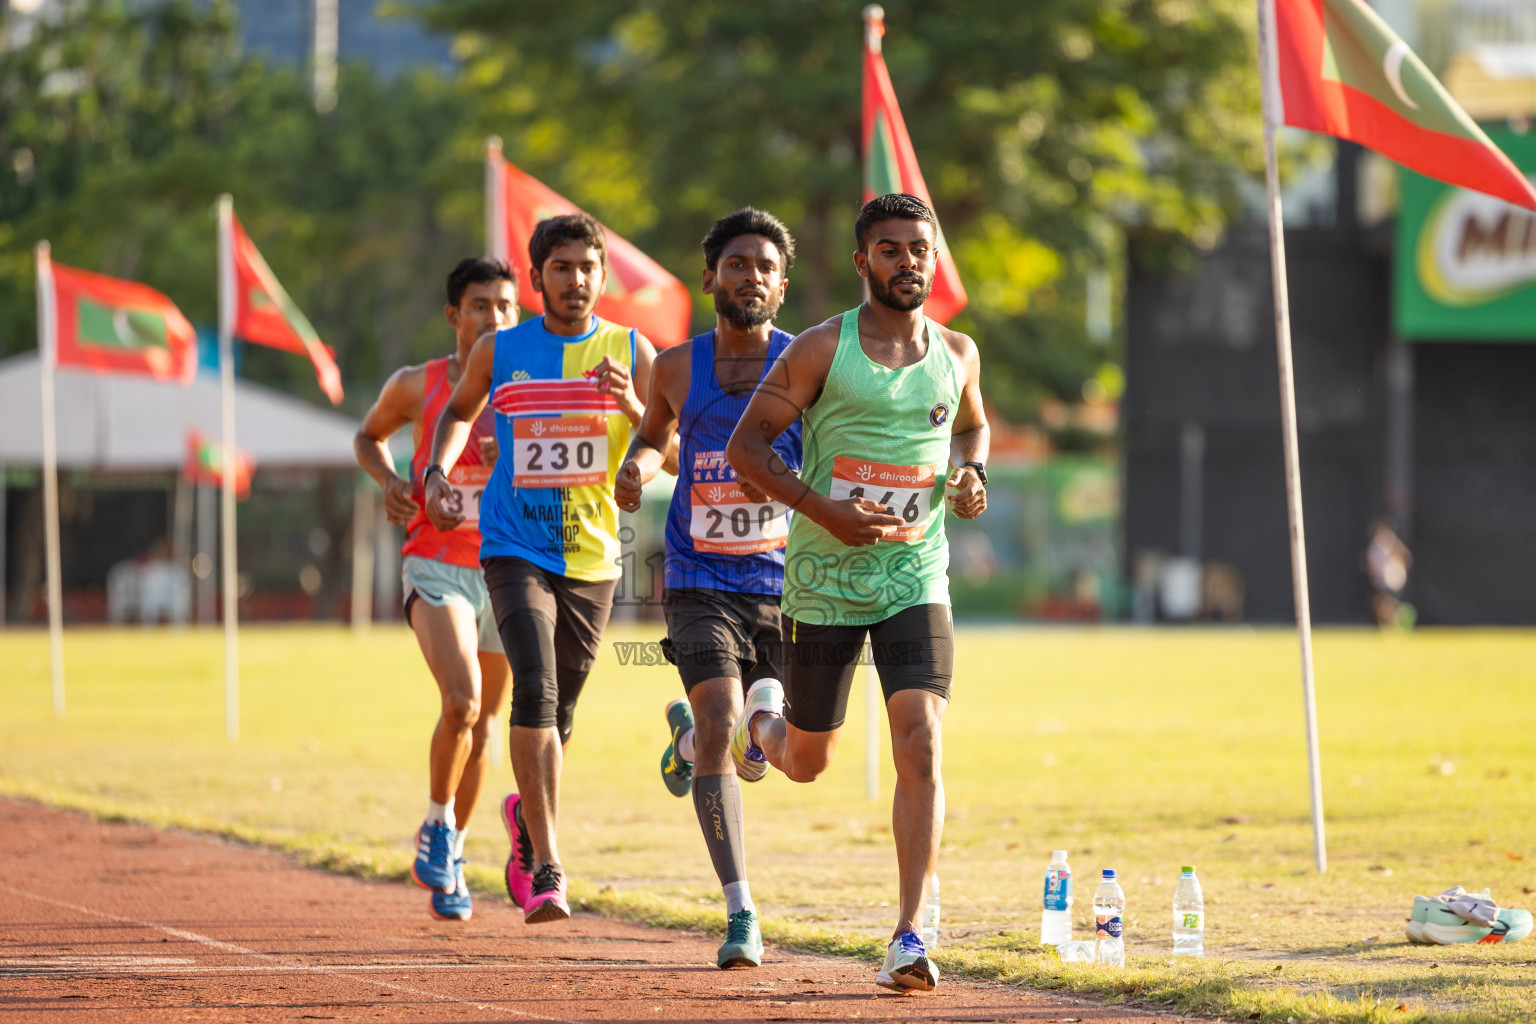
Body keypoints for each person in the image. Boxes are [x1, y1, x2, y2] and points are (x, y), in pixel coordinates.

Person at [724, 194, 989, 992]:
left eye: (920, 248)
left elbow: (971, 427)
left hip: (916, 574)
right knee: (806, 762)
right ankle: (759, 726)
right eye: (891, 249)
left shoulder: (959, 351)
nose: (908, 261)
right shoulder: (818, 350)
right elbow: (747, 448)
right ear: (861, 261)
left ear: (934, 257)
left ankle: (909, 933)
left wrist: (972, 474)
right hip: (824, 579)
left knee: (922, 739)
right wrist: (822, 511)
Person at [424, 213, 660, 925]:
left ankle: (524, 818)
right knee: (533, 684)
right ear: (538, 279)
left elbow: (665, 448)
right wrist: (436, 470)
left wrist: (634, 411)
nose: (577, 279)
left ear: (601, 275)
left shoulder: (632, 348)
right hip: (513, 545)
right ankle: (551, 864)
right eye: (562, 266)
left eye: (588, 266)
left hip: (593, 556)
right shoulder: (502, 349)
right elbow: (459, 413)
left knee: (560, 711)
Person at [614, 208, 801, 970]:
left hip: (787, 582)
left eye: (763, 266)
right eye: (736, 264)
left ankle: (689, 743)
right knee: (728, 717)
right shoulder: (676, 366)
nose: (749, 276)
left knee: (777, 745)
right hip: (698, 577)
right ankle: (741, 913)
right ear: (710, 278)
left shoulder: (806, 364)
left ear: (781, 286)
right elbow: (655, 434)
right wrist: (636, 465)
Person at [354, 257, 519, 921]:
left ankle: (452, 850)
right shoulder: (417, 383)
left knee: (485, 731)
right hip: (436, 563)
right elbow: (369, 437)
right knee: (462, 702)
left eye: (506, 306)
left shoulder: (528, 385)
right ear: (454, 315)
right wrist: (392, 483)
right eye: (481, 306)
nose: (495, 319)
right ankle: (436, 819)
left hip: (508, 570)